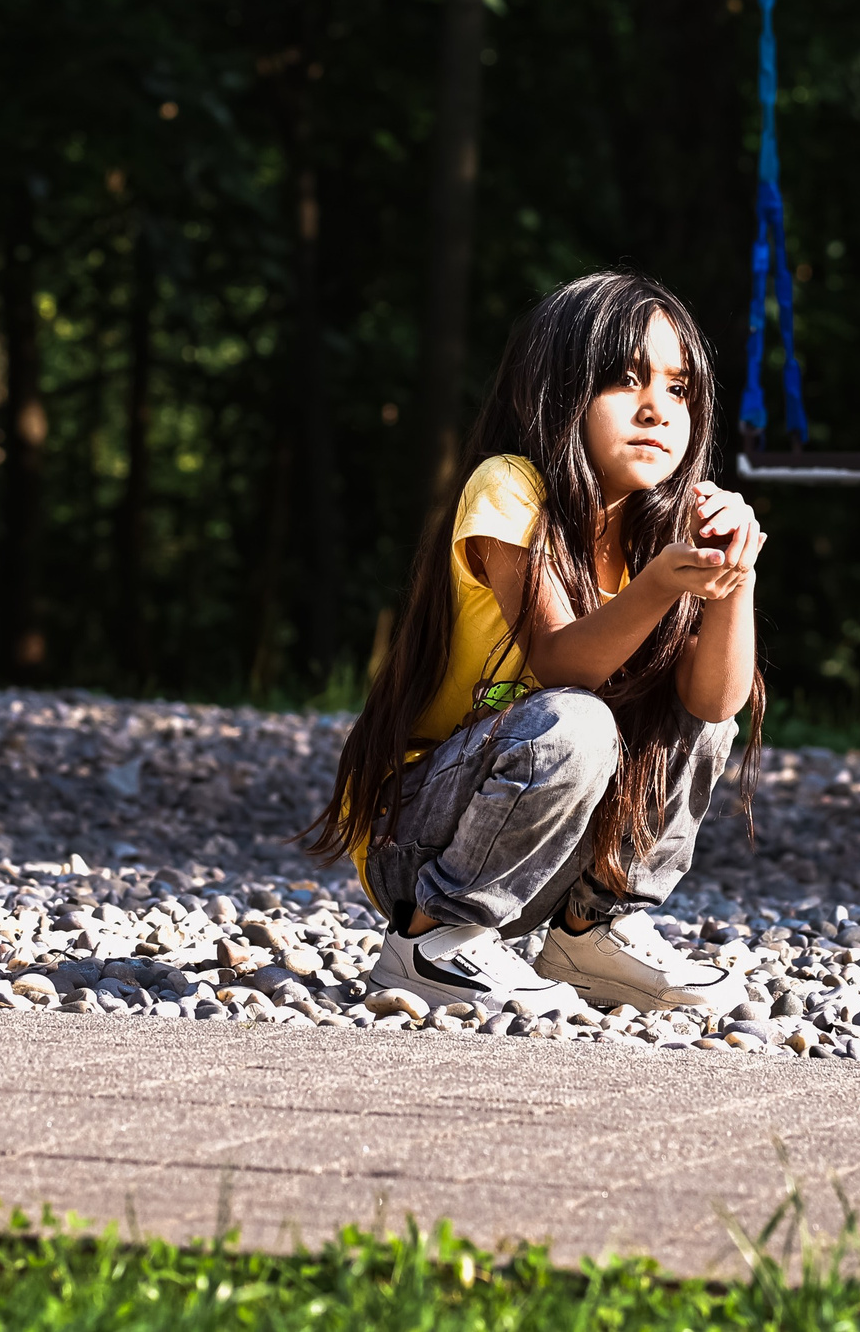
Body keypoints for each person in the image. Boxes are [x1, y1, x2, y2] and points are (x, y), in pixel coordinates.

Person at [306, 271, 767, 1021]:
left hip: (552, 856)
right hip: (422, 844)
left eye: (680, 389)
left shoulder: (667, 522)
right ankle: (433, 942)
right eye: (623, 380)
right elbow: (558, 661)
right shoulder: (511, 488)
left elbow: (715, 705)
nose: (657, 409)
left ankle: (592, 929)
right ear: (555, 392)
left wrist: (734, 578)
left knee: (700, 716)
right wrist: (657, 585)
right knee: (574, 719)